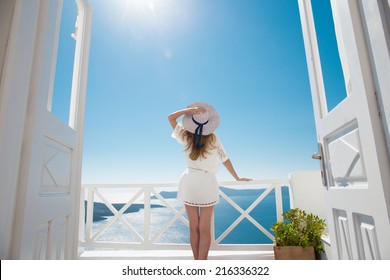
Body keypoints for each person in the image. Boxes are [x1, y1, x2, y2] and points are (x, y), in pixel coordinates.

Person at [168, 102, 251, 260]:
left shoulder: (185, 135)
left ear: (191, 120)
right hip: (207, 182)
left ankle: (196, 263)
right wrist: (237, 177)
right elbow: (225, 159)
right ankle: (202, 265)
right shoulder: (213, 138)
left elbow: (170, 117)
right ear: (209, 124)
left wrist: (190, 110)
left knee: (194, 227)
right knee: (204, 228)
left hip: (189, 181)